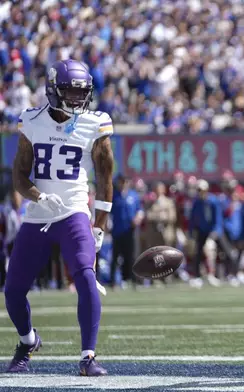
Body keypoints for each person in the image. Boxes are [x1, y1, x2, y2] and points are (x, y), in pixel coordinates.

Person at [5, 59, 114, 376]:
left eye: (82, 93)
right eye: (70, 91)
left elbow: (105, 177)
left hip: (74, 212)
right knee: (13, 291)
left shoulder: (95, 123)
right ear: (53, 90)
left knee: (85, 276)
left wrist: (100, 226)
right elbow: (19, 176)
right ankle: (28, 341)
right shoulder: (32, 121)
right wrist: (39, 196)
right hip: (38, 214)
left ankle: (88, 356)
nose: (78, 99)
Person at [111, 175, 143, 289]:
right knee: (115, 257)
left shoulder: (133, 195)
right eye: (120, 182)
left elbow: (139, 210)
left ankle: (134, 281)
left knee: (132, 256)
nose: (122, 184)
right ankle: (113, 282)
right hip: (117, 231)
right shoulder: (114, 196)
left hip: (130, 231)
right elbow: (109, 213)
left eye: (124, 182)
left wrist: (138, 218)